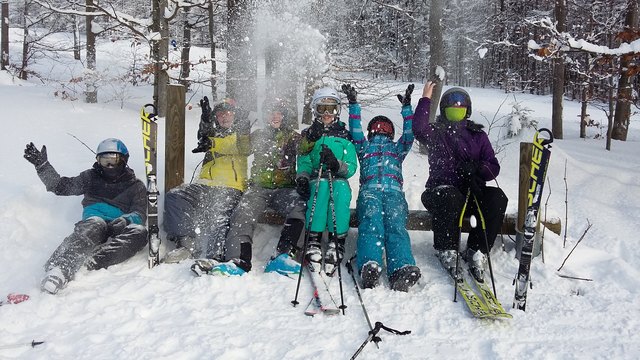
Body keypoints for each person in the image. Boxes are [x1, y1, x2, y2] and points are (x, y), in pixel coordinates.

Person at [196, 100, 307, 276]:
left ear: (284, 116)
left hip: (285, 189)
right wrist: (235, 134)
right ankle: (238, 260)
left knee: (299, 208)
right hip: (258, 188)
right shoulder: (259, 135)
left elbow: (308, 150)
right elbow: (241, 147)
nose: (274, 116)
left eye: (278, 113)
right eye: (271, 112)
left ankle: (285, 255)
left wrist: (313, 136)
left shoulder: (292, 137)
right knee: (242, 213)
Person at [23, 139, 147, 294]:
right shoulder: (91, 177)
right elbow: (60, 186)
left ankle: (90, 262)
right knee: (94, 226)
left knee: (140, 233)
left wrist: (126, 220)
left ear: (123, 160)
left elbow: (140, 213)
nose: (108, 166)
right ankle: (60, 268)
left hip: (120, 225)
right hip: (95, 220)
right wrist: (42, 166)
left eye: (112, 160)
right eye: (104, 160)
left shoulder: (136, 186)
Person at [412, 82, 508, 282]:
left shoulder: (478, 136)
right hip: (440, 193)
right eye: (451, 108)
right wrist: (425, 99)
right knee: (449, 196)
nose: (456, 111)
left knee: (497, 198)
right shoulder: (436, 133)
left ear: (467, 110)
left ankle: (477, 250)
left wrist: (477, 168)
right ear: (444, 111)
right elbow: (419, 129)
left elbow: (493, 167)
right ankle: (447, 249)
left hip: (471, 193)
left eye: (461, 107)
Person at [343, 83, 421, 292]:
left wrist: (407, 109)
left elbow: (409, 134)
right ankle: (370, 265)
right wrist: (353, 105)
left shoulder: (397, 149)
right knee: (371, 223)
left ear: (391, 133)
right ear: (370, 132)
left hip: (394, 194)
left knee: (396, 226)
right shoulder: (364, 147)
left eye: (385, 128)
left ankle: (401, 268)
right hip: (370, 192)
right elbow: (355, 131)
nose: (381, 130)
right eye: (377, 127)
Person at [163, 97, 251, 263]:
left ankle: (214, 256)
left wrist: (212, 143)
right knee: (175, 196)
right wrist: (205, 119)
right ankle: (186, 244)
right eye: (220, 114)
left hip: (231, 186)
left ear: (234, 115)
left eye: (228, 113)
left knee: (220, 215)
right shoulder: (213, 135)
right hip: (204, 185)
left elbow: (241, 147)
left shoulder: (241, 135)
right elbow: (204, 135)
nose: (224, 117)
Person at [296, 87, 358, 276]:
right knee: (320, 190)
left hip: (337, 177)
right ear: (315, 110)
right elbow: (304, 158)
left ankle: (336, 239)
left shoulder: (344, 135)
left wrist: (336, 164)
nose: (326, 114)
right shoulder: (309, 134)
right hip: (317, 177)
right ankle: (313, 238)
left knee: (339, 193)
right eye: (322, 109)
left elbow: (351, 166)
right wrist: (303, 178)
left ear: (337, 111)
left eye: (331, 109)